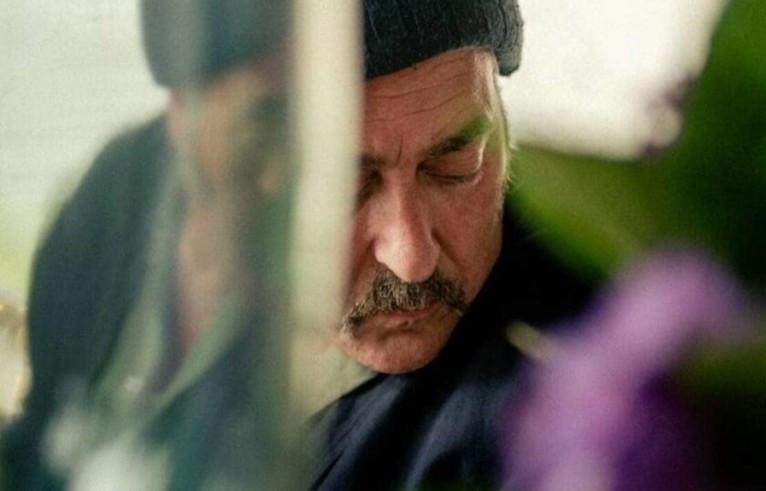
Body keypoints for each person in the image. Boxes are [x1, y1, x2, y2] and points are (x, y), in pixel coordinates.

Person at [1, 0, 593, 488]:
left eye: (455, 164)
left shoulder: (545, 411)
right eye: (342, 186)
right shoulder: (119, 207)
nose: (412, 259)